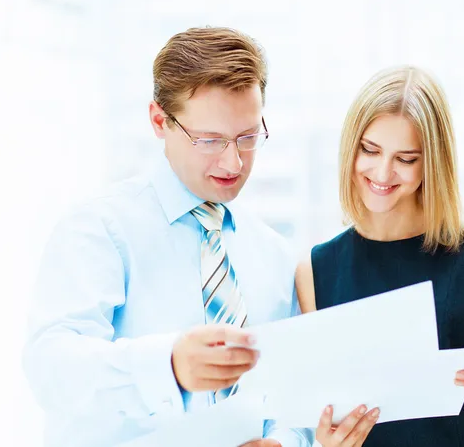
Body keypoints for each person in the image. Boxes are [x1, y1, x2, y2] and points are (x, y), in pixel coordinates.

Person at [23, 27, 313, 447]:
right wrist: (168, 366)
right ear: (160, 121)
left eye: (248, 137)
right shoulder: (100, 228)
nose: (234, 161)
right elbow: (51, 370)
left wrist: (287, 441)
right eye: (210, 140)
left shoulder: (274, 253)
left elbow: (290, 393)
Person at [296, 66, 464, 446]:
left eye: (406, 159)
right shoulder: (315, 271)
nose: (383, 172)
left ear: (432, 163)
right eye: (370, 150)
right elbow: (321, 414)